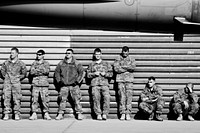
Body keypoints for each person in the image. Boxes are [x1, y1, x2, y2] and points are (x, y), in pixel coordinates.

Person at [54, 48, 85, 120]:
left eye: (69, 53)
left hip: (74, 85)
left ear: (72, 54)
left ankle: (79, 113)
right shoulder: (61, 63)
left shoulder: (77, 63)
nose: (67, 54)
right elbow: (57, 73)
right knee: (62, 100)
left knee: (77, 100)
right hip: (64, 85)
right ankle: (60, 114)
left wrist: (77, 81)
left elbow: (81, 73)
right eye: (66, 53)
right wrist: (59, 81)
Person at [0, 47, 27, 120]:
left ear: (17, 53)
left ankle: (16, 114)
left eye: (13, 53)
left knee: (17, 98)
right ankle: (6, 113)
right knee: (6, 98)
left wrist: (17, 78)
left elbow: (24, 73)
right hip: (7, 83)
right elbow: (2, 72)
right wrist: (7, 78)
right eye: (11, 53)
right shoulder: (6, 63)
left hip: (16, 84)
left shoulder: (21, 63)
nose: (11, 54)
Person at [87, 48, 113, 120]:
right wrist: (94, 74)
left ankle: (105, 114)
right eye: (96, 54)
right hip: (95, 85)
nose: (97, 56)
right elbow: (88, 75)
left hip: (104, 84)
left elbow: (111, 74)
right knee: (96, 99)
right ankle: (98, 114)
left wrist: (105, 74)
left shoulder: (106, 64)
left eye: (99, 54)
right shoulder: (91, 64)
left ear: (101, 54)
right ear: (94, 55)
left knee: (106, 99)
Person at [113, 46, 136, 120]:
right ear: (122, 51)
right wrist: (127, 68)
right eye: (124, 51)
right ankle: (122, 112)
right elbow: (116, 69)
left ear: (128, 52)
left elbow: (133, 67)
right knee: (121, 97)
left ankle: (128, 113)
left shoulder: (132, 59)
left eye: (126, 51)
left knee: (129, 97)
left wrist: (122, 67)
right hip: (120, 80)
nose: (125, 53)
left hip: (129, 80)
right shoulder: (118, 58)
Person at [29, 50, 51, 120]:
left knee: (45, 100)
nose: (38, 56)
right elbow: (31, 72)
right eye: (38, 54)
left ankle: (46, 113)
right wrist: (41, 71)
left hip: (44, 84)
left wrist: (37, 70)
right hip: (35, 84)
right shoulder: (34, 63)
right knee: (34, 100)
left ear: (43, 55)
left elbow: (46, 71)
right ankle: (34, 113)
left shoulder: (46, 63)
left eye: (40, 54)